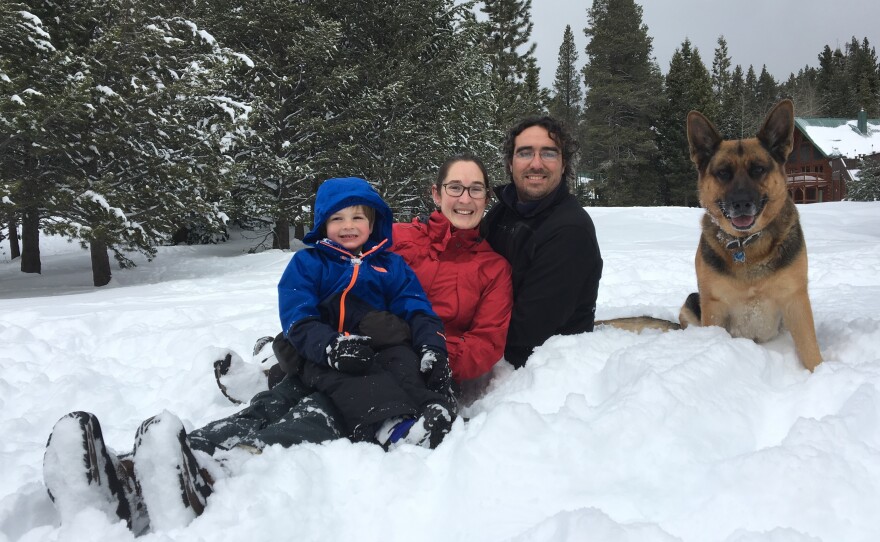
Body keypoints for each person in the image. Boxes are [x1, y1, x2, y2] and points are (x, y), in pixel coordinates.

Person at [42, 177, 458, 534]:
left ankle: (209, 472)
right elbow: (298, 318)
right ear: (323, 224)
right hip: (318, 363)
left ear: (374, 222)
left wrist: (431, 347)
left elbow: (417, 309)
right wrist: (328, 347)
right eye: (338, 218)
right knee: (265, 406)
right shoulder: (310, 263)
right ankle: (133, 470)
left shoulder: (391, 267)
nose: (348, 226)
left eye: (358, 217)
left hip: (358, 378)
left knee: (304, 421)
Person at [481, 116, 603, 368]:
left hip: (537, 374)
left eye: (548, 154)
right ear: (510, 163)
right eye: (525, 153)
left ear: (563, 163)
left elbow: (528, 330)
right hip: (491, 351)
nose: (536, 164)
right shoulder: (504, 211)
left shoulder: (570, 231)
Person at [391, 153, 512, 382]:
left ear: (486, 198)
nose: (465, 199)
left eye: (475, 189)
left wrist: (432, 361)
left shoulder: (494, 269)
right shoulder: (395, 238)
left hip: (428, 379)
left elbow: (485, 342)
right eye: (455, 187)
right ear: (437, 194)